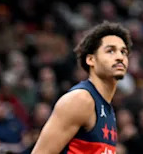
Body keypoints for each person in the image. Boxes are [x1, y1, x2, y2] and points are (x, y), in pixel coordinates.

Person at [31, 21, 131, 154]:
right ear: (91, 60)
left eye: (123, 52)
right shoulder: (81, 100)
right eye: (110, 51)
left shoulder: (107, 108)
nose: (120, 57)